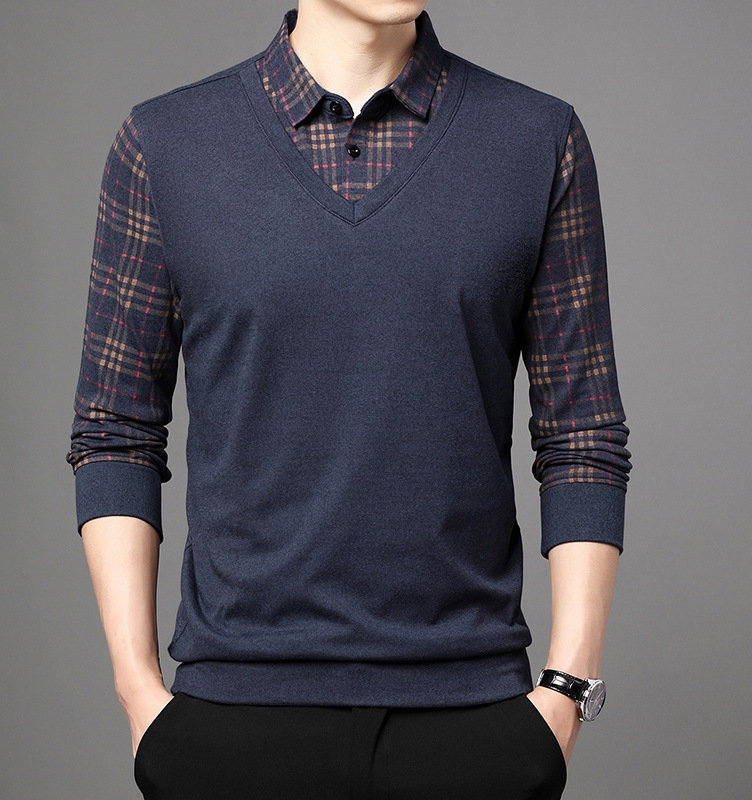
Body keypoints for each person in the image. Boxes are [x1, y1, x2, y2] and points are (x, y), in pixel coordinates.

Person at [65, 2, 632, 798]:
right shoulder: (165, 144)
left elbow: (583, 432)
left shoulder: (537, 140)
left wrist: (566, 692)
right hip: (229, 722)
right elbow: (116, 429)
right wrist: (138, 691)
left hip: (474, 722)